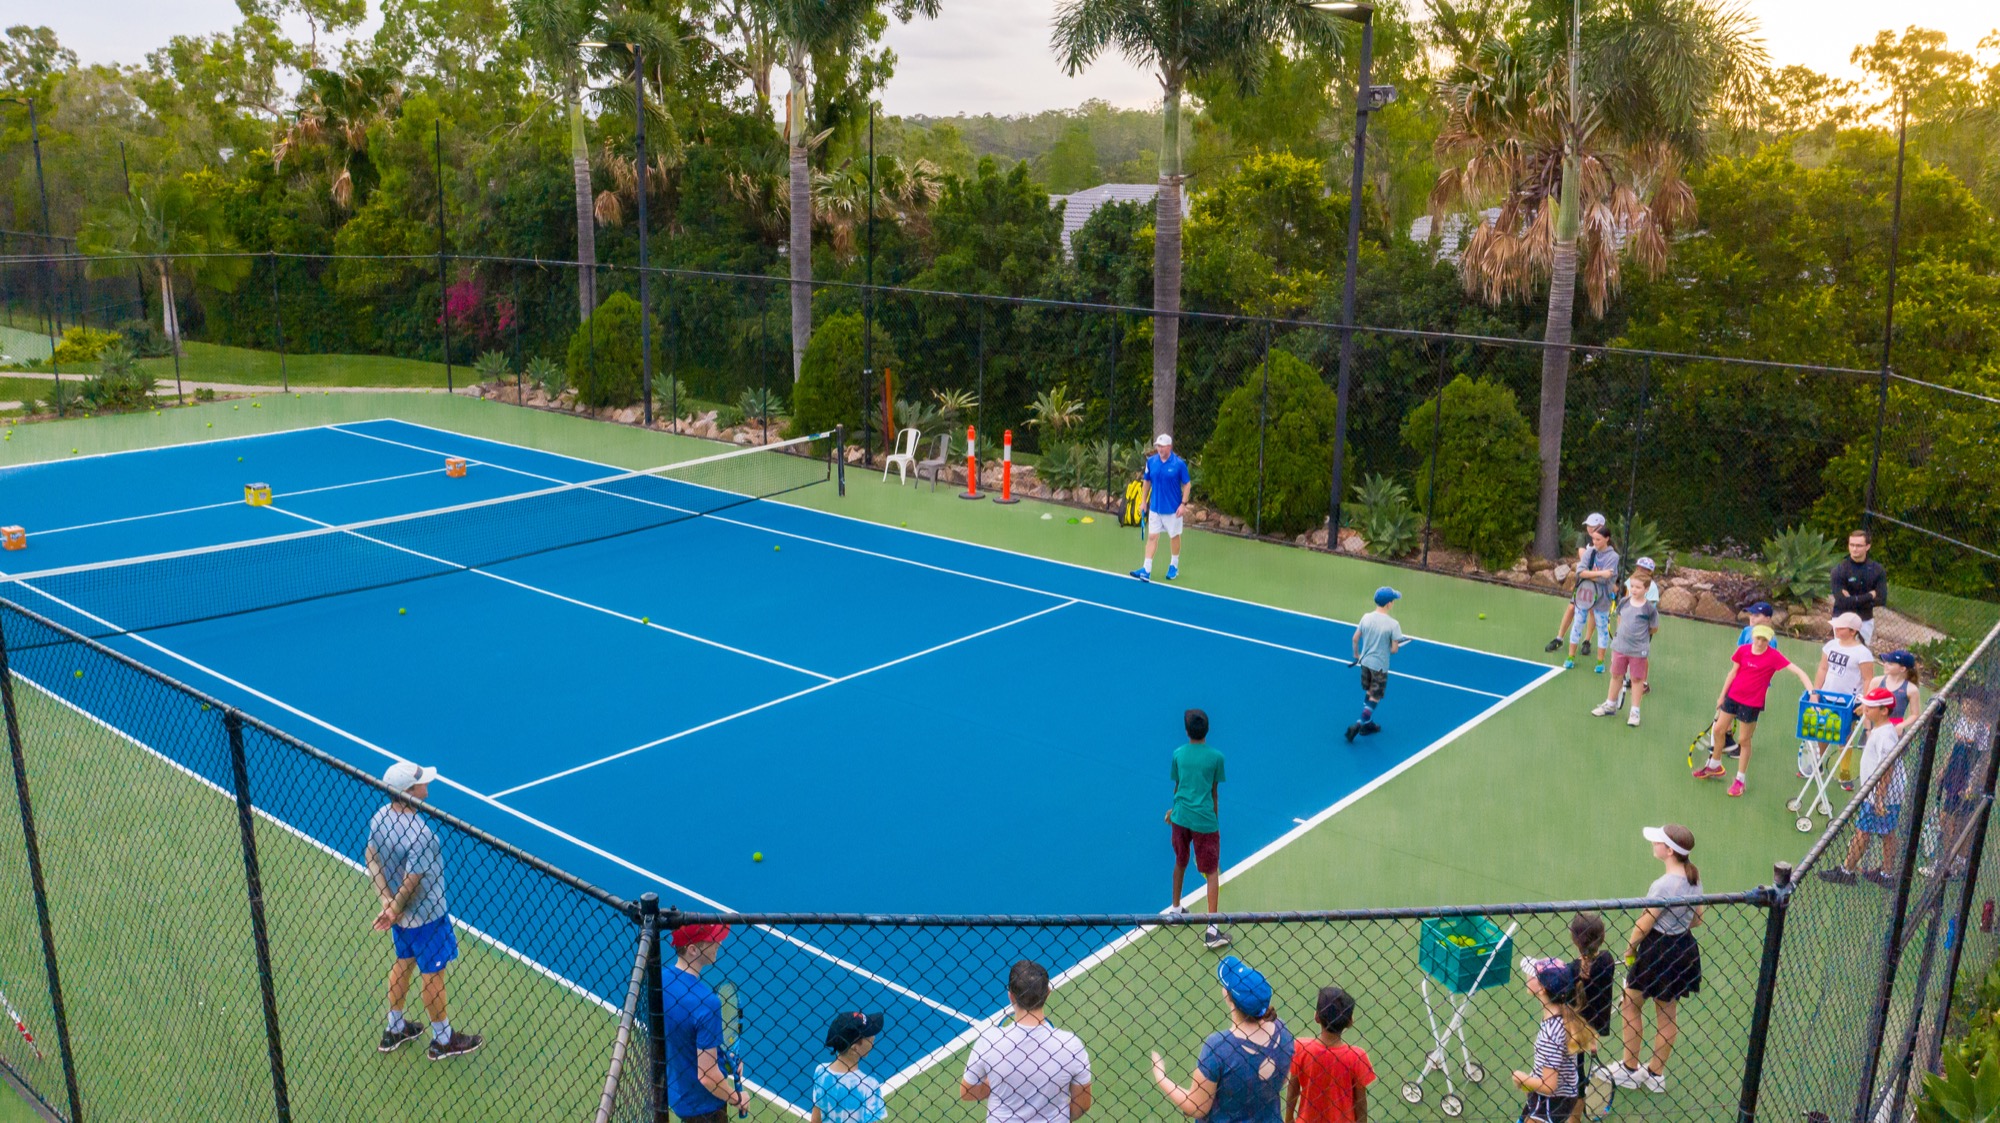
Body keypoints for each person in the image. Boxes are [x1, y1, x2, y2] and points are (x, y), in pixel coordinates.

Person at [367, 761, 483, 1061]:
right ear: (408, 792)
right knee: (433, 974)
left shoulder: (380, 818)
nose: (427, 789)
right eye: (422, 785)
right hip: (428, 918)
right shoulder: (422, 834)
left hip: (401, 918)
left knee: (403, 963)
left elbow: (372, 857)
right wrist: (394, 907)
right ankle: (443, 1040)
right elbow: (413, 881)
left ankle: (395, 1028)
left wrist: (387, 905)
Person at [1610, 825, 1704, 1094]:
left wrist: (1630, 949)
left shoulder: (1663, 885)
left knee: (1630, 1004)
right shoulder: (1694, 878)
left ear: (1669, 851)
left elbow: (1645, 923)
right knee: (1667, 1014)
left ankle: (1629, 1069)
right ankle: (1655, 1074)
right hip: (1683, 950)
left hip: (1656, 951)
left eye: (1658, 842)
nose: (1654, 844)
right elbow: (1697, 919)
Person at [1152, 956, 1295, 1123]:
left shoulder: (1219, 1047)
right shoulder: (1283, 1031)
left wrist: (1161, 1077)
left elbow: (1197, 1107)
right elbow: (1283, 1079)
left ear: (1229, 999)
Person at [962, 961, 1093, 1123]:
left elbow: (967, 1092)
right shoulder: (1071, 1046)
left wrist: (996, 1083)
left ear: (1010, 996)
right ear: (1048, 993)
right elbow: (1082, 1104)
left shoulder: (989, 1041)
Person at [1694, 624, 1818, 797]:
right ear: (1753, 637)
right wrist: (1722, 696)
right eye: (1758, 638)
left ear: (1769, 641)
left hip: (1751, 703)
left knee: (1744, 740)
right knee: (1719, 730)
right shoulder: (1743, 651)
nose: (1760, 642)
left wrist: (1812, 692)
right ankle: (1714, 766)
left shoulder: (1774, 657)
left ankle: (1740, 780)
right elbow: (1733, 673)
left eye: (1764, 640)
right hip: (1732, 697)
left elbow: (1799, 672)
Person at [1820, 688, 1911, 886]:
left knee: (1863, 830)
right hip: (1885, 794)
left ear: (1884, 711)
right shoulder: (1881, 730)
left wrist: (1878, 797)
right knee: (1887, 832)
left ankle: (1847, 871)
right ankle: (1886, 874)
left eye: (1870, 707)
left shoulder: (1885, 736)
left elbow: (1887, 768)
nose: (1865, 709)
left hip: (1881, 794)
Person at [662, 923, 752, 1122]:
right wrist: (736, 1097)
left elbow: (680, 1035)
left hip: (679, 1093)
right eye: (712, 939)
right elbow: (707, 1075)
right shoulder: (707, 1003)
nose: (719, 942)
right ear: (693, 949)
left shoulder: (662, 980)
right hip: (706, 1107)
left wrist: (721, 1057)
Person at [1168, 708, 1232, 950]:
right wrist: (1213, 822)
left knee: (1180, 861)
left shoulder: (1178, 754)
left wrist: (1172, 811)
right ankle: (1212, 930)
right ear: (1208, 730)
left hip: (1180, 817)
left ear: (1186, 731)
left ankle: (1175, 911)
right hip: (1204, 821)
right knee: (1212, 870)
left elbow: (1178, 787)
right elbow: (1213, 793)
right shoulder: (1217, 758)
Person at [1513, 959, 1596, 1123]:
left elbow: (1549, 1086)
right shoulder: (1564, 1013)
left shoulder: (1549, 1035)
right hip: (1562, 1098)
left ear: (1542, 989)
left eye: (1533, 976)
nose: (1527, 976)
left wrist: (1522, 1079)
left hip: (1549, 1103)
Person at [1929, 688, 1994, 880]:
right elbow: (1954, 748)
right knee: (1948, 818)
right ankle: (1950, 858)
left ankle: (1957, 862)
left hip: (1968, 780)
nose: (1966, 706)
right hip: (1954, 777)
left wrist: (1973, 783)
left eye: (1971, 703)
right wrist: (1943, 769)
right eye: (1964, 702)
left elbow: (1984, 760)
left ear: (1981, 707)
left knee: (1961, 819)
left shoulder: (1984, 729)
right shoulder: (1963, 722)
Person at [1283, 985, 1372, 1123]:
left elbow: (1293, 1089)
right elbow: (1360, 1103)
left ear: (1317, 1017)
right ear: (1350, 1022)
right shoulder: (1357, 1057)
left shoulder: (1301, 1048)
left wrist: (1289, 1119)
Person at [1543, 514, 1620, 671]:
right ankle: (1570, 657)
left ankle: (1599, 662)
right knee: (1577, 624)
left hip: (1603, 599)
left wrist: (1592, 574)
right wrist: (1599, 573)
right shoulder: (1590, 551)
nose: (1594, 542)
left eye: (1598, 539)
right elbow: (1580, 572)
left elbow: (1608, 580)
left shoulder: (1614, 557)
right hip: (1584, 595)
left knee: (1603, 630)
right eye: (1593, 539)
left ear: (1607, 539)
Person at [1593, 575, 1658, 726]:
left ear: (1646, 589)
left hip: (1638, 650)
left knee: (1636, 679)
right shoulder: (1624, 602)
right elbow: (1620, 619)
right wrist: (1618, 640)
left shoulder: (1649, 608)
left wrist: (1639, 638)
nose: (1634, 590)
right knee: (1616, 675)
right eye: (1632, 586)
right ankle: (1610, 704)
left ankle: (1634, 712)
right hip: (1620, 647)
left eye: (1638, 587)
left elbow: (1654, 628)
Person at [1346, 588, 1405, 743]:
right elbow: (1394, 650)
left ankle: (1368, 722)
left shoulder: (1366, 617)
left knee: (1369, 690)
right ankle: (1360, 723)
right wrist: (1393, 646)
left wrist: (1356, 654)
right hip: (1380, 666)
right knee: (1375, 696)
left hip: (1365, 663)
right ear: (1389, 604)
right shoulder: (1393, 624)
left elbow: (1355, 638)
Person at [1132, 433, 1192, 583]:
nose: (1159, 449)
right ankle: (1146, 569)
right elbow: (1147, 482)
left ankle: (1174, 566)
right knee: (1152, 537)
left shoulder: (1178, 464)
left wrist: (1183, 504)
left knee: (1174, 536)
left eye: (1162, 446)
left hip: (1173, 510)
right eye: (1158, 446)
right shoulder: (1151, 462)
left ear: (1169, 447)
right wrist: (1143, 502)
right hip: (1155, 509)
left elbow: (1187, 484)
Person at [813, 1011, 886, 1123]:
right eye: (868, 1035)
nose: (873, 1038)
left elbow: (815, 1120)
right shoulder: (869, 1086)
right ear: (854, 1047)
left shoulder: (821, 1072)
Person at [1831, 529, 1889, 643]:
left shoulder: (1877, 570)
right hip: (1841, 618)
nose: (1854, 549)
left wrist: (1852, 599)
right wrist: (1869, 596)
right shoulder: (1839, 570)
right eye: (1851, 545)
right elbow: (1842, 601)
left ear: (1867, 546)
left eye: (1858, 545)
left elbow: (1881, 599)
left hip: (1865, 620)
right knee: (1841, 653)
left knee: (1860, 656)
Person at [1568, 912, 1616, 1042]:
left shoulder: (1570, 970)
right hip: (1598, 1021)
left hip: (1573, 1028)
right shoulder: (1607, 959)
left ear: (1574, 939)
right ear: (1602, 937)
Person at [1814, 613, 1876, 700]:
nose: (1836, 629)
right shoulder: (1831, 645)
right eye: (1836, 626)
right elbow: (1823, 668)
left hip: (1849, 701)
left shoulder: (1863, 653)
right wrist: (1816, 692)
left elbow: (1868, 679)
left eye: (1841, 628)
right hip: (1825, 697)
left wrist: (1865, 701)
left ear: (1853, 632)